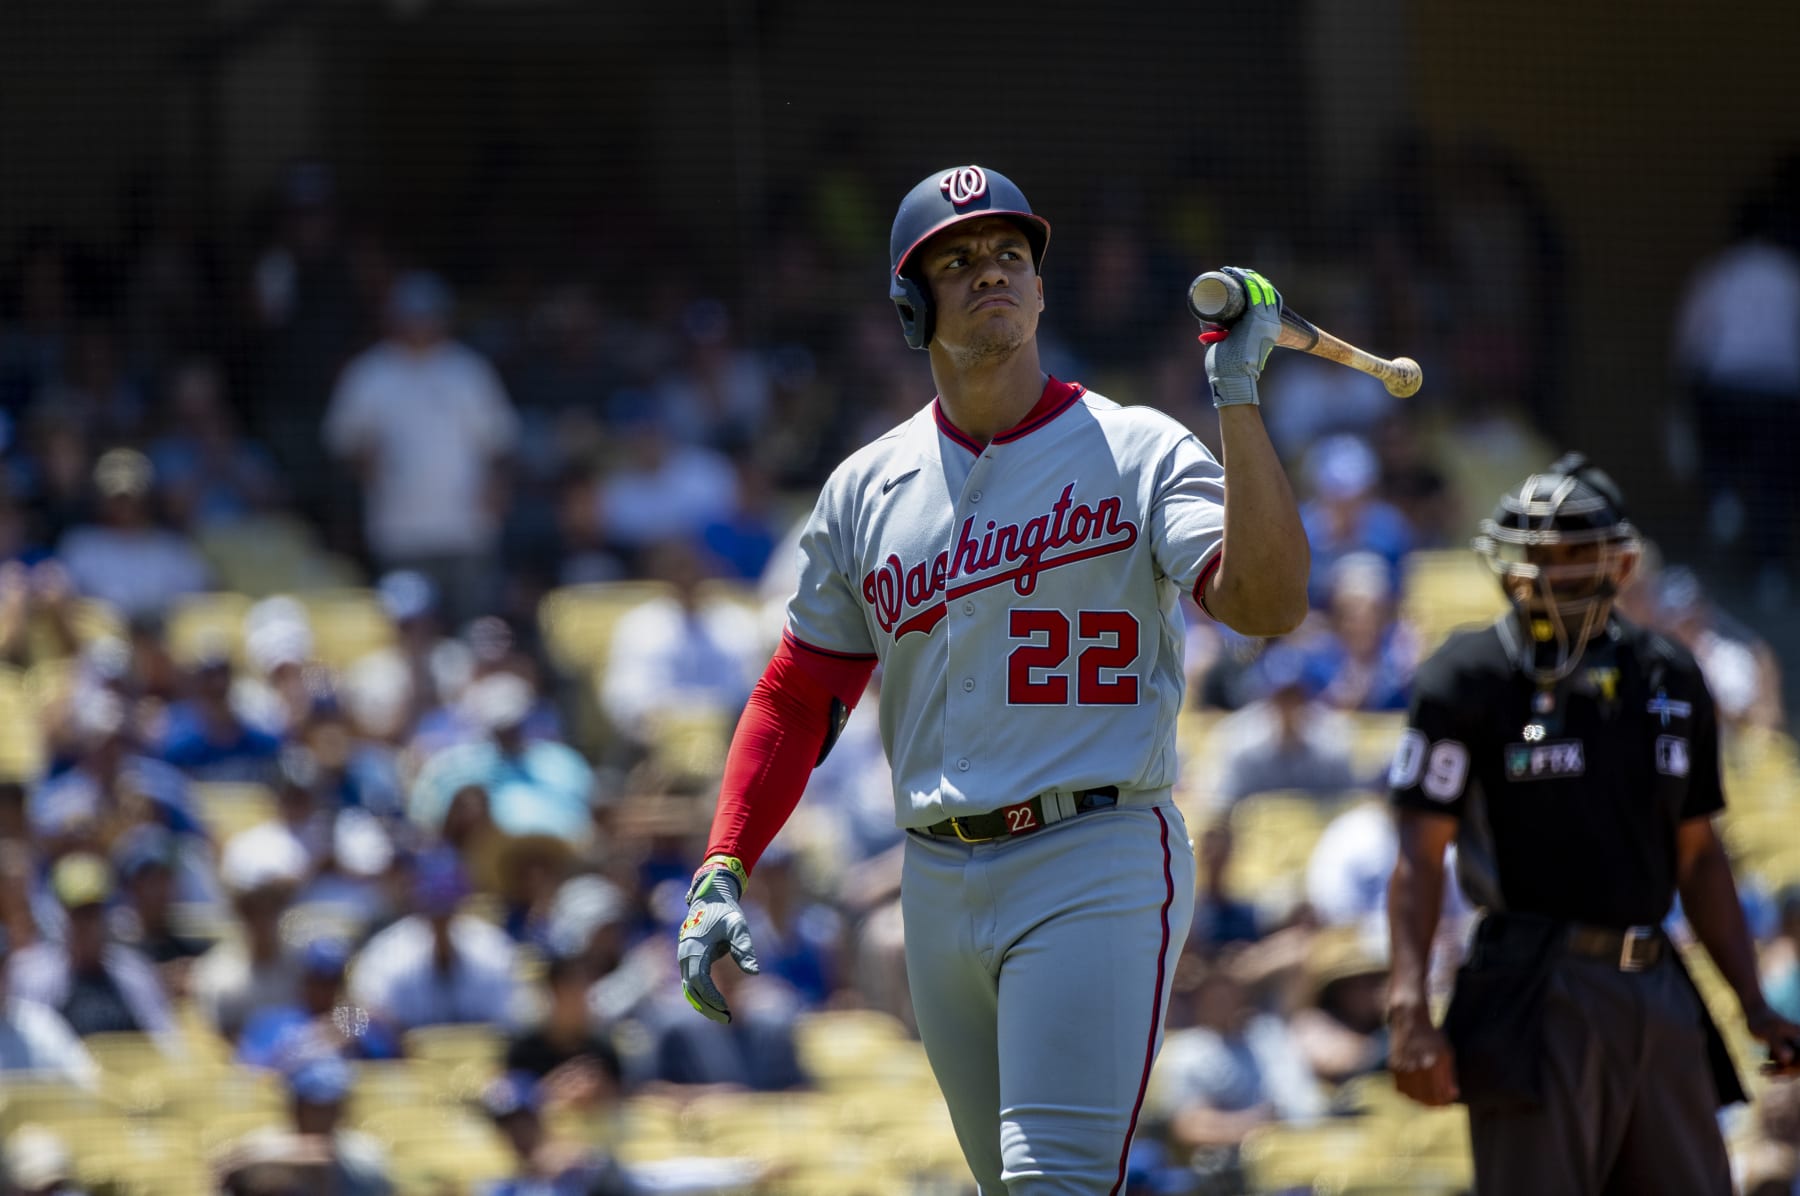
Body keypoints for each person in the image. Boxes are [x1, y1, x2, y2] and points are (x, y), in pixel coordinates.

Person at [676, 164, 1310, 1193]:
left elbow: (1270, 606)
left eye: (1011, 254)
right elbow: (800, 692)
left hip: (1093, 849)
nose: (992, 274)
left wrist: (1236, 397)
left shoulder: (1137, 444)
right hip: (936, 876)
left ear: (1042, 286)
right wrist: (724, 861)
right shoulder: (865, 488)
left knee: (1047, 1181)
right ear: (908, 300)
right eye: (958, 260)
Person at [1383, 452, 1800, 1194]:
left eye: (1572, 552)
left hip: (1658, 981)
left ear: (1622, 563)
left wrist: (1754, 1002)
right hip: (1533, 985)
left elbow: (1700, 855)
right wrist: (1410, 1006)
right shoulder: (1467, 673)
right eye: (1536, 552)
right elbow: (1419, 856)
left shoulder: (1672, 673)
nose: (1548, 570)